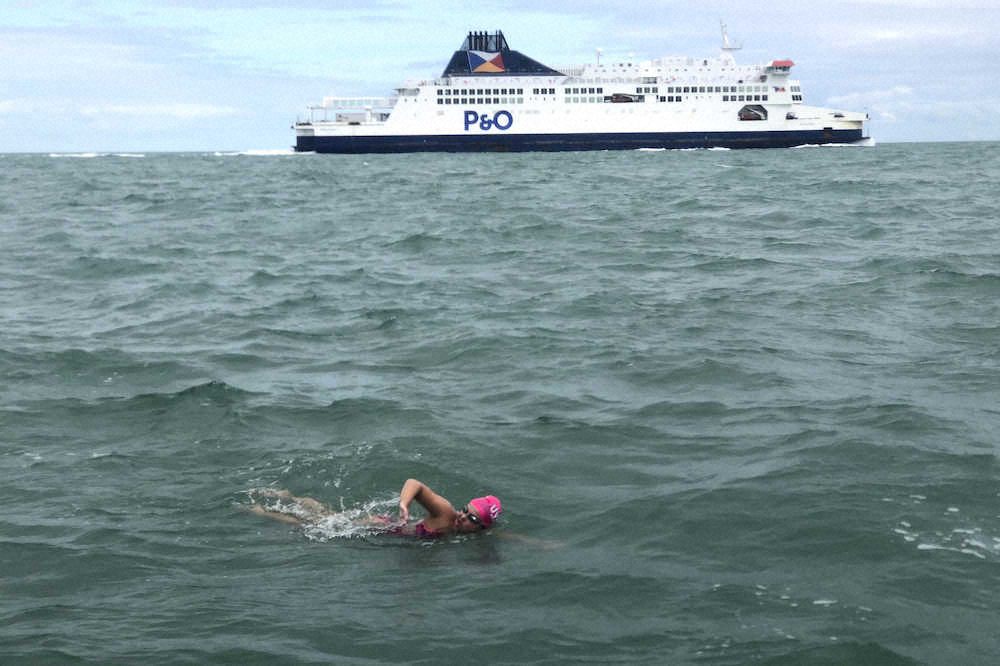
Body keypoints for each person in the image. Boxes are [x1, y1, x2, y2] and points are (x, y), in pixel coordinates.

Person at [248, 478, 502, 539]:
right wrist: (404, 504)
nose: (462, 516)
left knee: (328, 515)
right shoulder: (445, 513)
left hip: (388, 531)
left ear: (481, 528)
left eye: (471, 519)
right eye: (465, 509)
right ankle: (258, 511)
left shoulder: (470, 534)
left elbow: (501, 536)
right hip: (379, 527)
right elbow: (413, 483)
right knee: (312, 525)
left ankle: (290, 497)